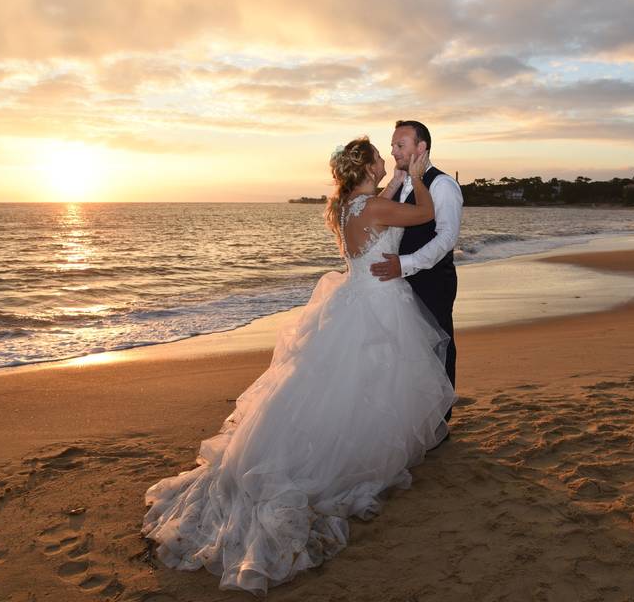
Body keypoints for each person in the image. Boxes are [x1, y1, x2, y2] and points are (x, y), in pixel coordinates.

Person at [141, 137, 456, 595]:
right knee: (371, 384)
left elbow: (382, 201)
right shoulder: (374, 207)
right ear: (367, 168)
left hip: (354, 297)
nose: (386, 158)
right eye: (379, 156)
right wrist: (422, 176)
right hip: (379, 305)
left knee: (341, 386)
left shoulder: (349, 205)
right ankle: (354, 461)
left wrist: (399, 179)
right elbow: (425, 214)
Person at [371, 120, 463, 425]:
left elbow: (446, 238)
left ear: (421, 148)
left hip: (433, 280)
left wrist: (405, 263)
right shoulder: (398, 182)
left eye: (401, 145)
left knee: (437, 347)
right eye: (393, 145)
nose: (394, 151)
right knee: (406, 349)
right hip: (398, 283)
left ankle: (439, 422)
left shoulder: (443, 185)